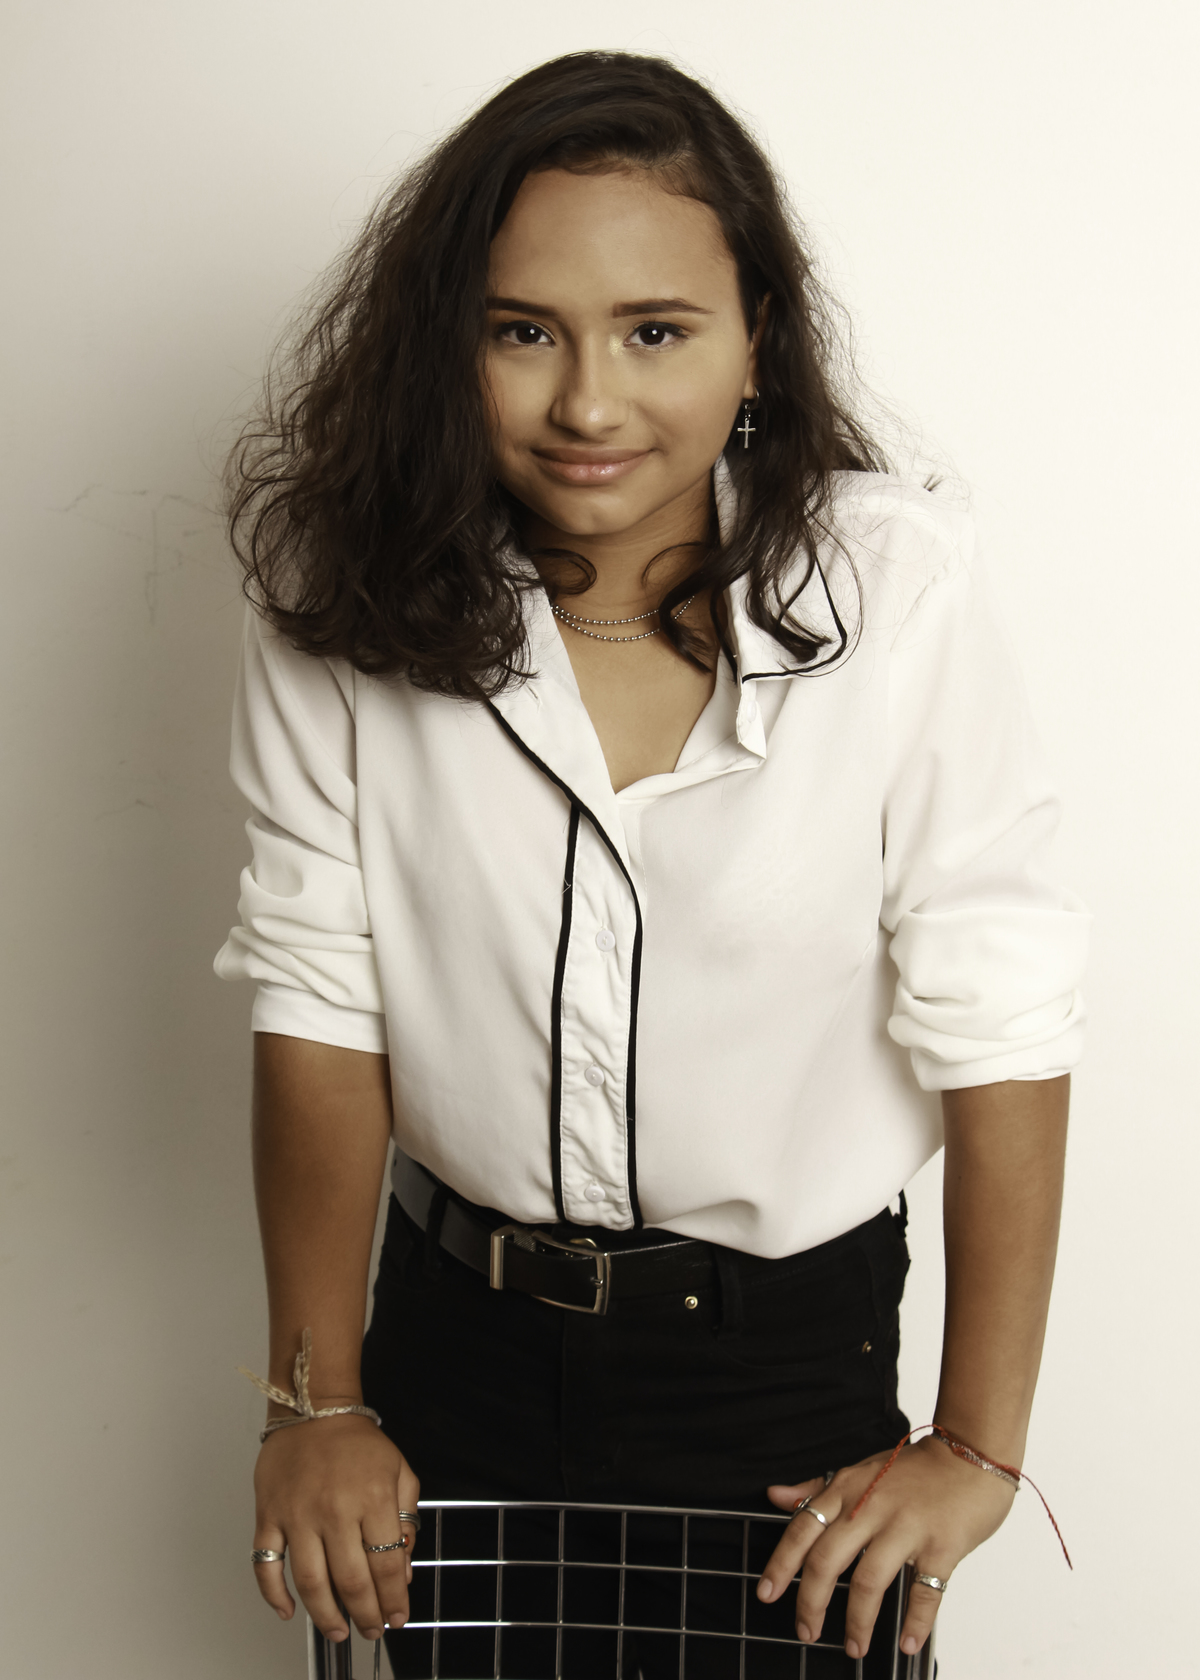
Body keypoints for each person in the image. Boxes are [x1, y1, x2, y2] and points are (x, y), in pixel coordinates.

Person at [215, 50, 1087, 1677]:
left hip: (786, 1368)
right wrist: (313, 1404)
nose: (589, 405)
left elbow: (1001, 1010)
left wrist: (978, 1444)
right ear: (447, 341)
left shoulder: (896, 592)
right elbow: (320, 998)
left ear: (759, 334)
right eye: (521, 330)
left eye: (656, 331)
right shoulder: (346, 602)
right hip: (453, 1348)